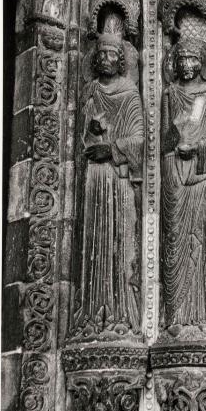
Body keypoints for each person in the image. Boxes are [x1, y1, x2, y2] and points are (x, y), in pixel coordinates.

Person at [72, 18, 144, 340]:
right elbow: (76, 140)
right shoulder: (89, 92)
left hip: (118, 180)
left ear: (121, 59)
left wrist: (112, 148)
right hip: (93, 181)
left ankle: (122, 314)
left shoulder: (129, 95)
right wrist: (92, 135)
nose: (104, 59)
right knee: (94, 244)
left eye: (112, 55)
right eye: (100, 54)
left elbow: (140, 141)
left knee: (119, 243)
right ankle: (92, 311)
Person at [161, 37, 206, 338]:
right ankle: (175, 312)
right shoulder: (170, 94)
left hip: (198, 176)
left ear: (202, 63)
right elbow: (162, 139)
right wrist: (175, 143)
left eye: (192, 59)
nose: (186, 64)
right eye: (181, 59)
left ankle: (203, 313)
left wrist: (198, 146)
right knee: (175, 243)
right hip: (174, 177)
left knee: (199, 242)